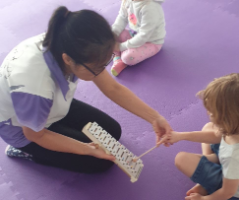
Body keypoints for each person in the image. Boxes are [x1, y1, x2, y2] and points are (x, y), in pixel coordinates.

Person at [0, 6, 171, 173]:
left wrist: (155, 118)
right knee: (100, 163)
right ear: (68, 60)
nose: (101, 71)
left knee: (113, 131)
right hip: (24, 130)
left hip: (50, 104)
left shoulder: (68, 43)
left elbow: (112, 88)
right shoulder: (36, 89)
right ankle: (24, 151)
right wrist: (86, 149)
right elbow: (35, 135)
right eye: (96, 67)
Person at [165, 74, 239, 200]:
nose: (207, 112)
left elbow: (228, 192)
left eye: (212, 112)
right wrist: (180, 136)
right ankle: (212, 161)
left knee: (181, 159)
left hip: (230, 187)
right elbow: (215, 135)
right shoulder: (233, 127)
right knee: (209, 127)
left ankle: (209, 185)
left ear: (227, 118)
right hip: (228, 165)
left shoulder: (234, 155)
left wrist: (203, 199)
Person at [111, 0, 166, 76]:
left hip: (151, 42)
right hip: (134, 35)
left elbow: (144, 36)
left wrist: (121, 47)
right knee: (113, 35)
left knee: (128, 57)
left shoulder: (150, 8)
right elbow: (122, 18)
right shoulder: (127, 1)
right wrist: (112, 35)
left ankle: (122, 59)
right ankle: (117, 57)